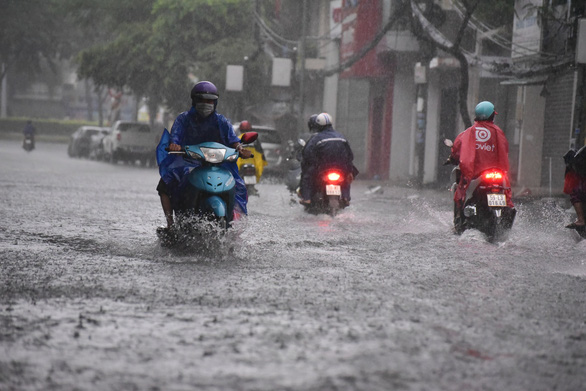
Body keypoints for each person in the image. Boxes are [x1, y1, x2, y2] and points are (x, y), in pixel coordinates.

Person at [156, 81, 252, 230]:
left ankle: (234, 226)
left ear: (215, 102)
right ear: (194, 100)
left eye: (209, 101)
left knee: (239, 187)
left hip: (218, 163)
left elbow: (232, 140)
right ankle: (171, 225)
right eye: (201, 100)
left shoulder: (221, 121)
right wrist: (175, 144)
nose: (205, 104)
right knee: (165, 185)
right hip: (188, 162)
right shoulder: (184, 119)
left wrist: (240, 148)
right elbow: (176, 136)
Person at [447, 101, 514, 228]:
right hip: (497, 173)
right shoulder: (498, 132)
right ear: (491, 116)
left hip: (474, 174)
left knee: (460, 190)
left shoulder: (469, 132)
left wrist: (453, 157)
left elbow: (456, 148)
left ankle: (458, 221)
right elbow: (505, 150)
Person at [299, 112, 356, 205]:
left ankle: (307, 199)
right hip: (340, 167)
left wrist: (309, 163)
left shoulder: (316, 138)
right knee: (347, 177)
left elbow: (307, 154)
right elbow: (350, 156)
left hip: (322, 168)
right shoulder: (341, 136)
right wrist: (349, 170)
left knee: (307, 177)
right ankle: (345, 197)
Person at [562, 147, 586, 229]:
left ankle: (581, 220)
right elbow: (569, 190)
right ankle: (581, 220)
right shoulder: (572, 173)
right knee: (576, 193)